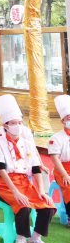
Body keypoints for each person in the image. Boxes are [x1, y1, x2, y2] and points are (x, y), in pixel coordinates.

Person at [0, 94, 57, 243]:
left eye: (19, 122)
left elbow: (36, 169)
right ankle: (21, 239)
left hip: (25, 183)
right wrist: (15, 192)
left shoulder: (27, 143)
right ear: (5, 125)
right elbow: (1, 170)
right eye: (13, 123)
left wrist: (41, 191)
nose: (17, 126)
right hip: (4, 185)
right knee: (23, 205)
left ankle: (35, 240)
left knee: (47, 205)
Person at [47, 94, 70, 225]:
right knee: (69, 186)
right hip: (62, 169)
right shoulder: (56, 138)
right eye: (68, 117)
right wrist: (65, 174)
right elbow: (55, 159)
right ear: (62, 121)